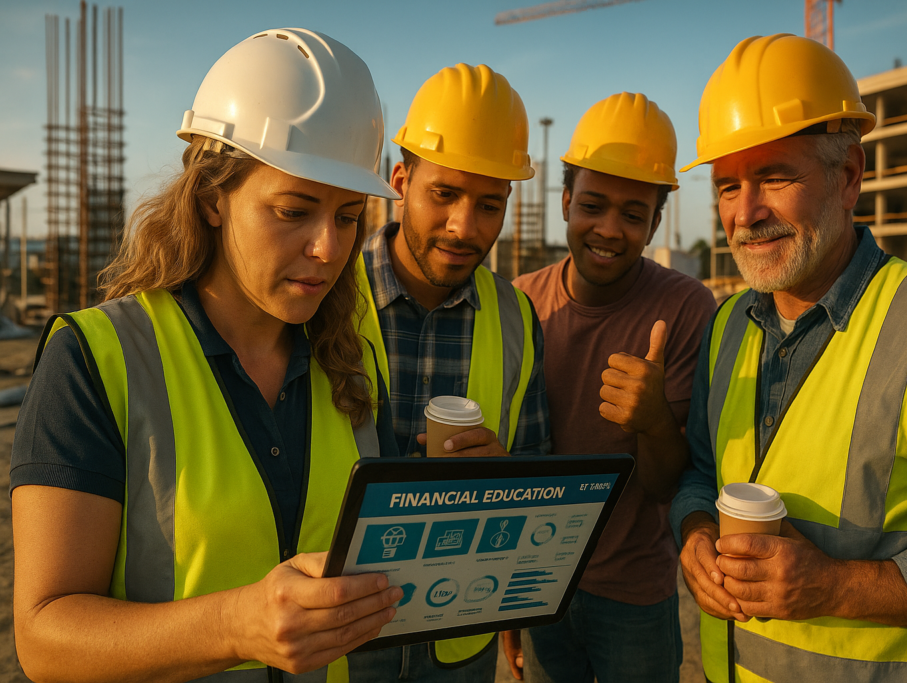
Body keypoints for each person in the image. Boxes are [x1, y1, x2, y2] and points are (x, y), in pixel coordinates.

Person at [11, 28, 405, 682]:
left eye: (347, 216)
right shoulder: (96, 359)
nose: (329, 249)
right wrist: (235, 624)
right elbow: (45, 637)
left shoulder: (356, 358)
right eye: (294, 210)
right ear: (211, 198)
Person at [670, 33, 907, 683]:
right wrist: (694, 532)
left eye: (775, 177)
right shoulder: (726, 327)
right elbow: (700, 471)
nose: (745, 214)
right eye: (726, 187)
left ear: (850, 176)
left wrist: (832, 586)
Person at [345, 63, 551, 683]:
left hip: (456, 642)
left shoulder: (516, 318)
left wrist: (503, 481)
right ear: (400, 180)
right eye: (445, 195)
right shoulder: (325, 293)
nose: (466, 227)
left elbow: (539, 473)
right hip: (339, 643)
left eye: (490, 205)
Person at [503, 92, 716, 683]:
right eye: (593, 205)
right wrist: (508, 601)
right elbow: (514, 471)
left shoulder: (686, 307)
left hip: (634, 592)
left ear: (656, 221)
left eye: (632, 214)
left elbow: (664, 485)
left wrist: (651, 419)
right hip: (537, 582)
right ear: (565, 201)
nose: (609, 230)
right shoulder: (521, 303)